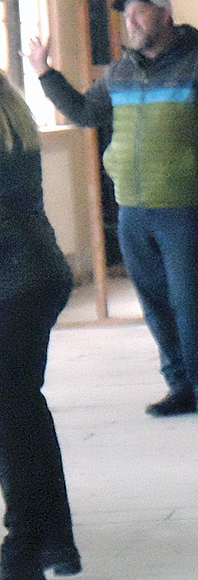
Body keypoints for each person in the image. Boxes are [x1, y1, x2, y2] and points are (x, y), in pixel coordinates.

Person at [28, 0, 198, 418]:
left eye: (140, 15)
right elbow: (87, 113)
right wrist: (44, 72)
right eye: (127, 16)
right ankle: (179, 385)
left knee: (187, 296)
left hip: (183, 202)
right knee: (153, 299)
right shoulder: (119, 71)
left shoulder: (197, 60)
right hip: (131, 206)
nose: (130, 23)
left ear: (165, 17)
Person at [0, 70, 81, 580]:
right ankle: (55, 544)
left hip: (17, 284)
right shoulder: (11, 111)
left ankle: (25, 549)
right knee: (23, 417)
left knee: (13, 422)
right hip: (35, 277)